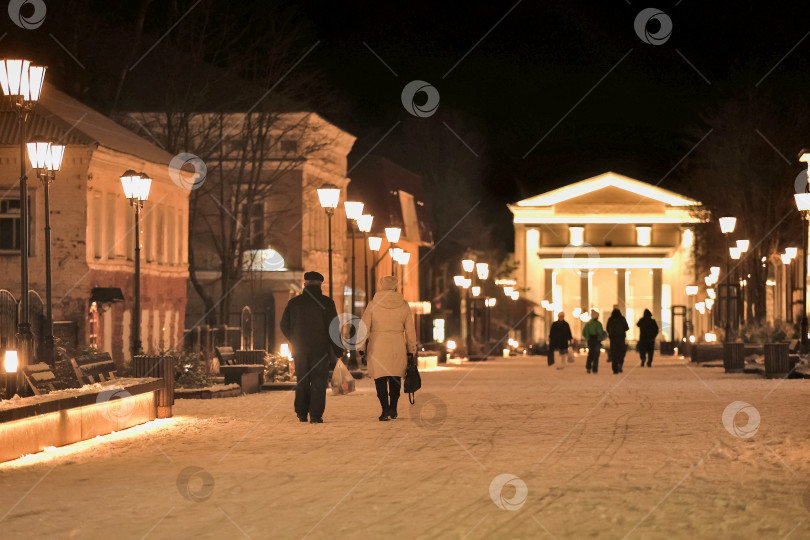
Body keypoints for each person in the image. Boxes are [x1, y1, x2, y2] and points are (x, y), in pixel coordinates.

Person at [280, 271, 340, 424]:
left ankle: (301, 412)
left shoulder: (294, 303)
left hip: (300, 350)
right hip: (320, 350)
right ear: (320, 285)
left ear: (304, 283)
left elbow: (284, 325)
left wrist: (294, 338)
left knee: (302, 380)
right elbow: (333, 328)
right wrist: (338, 350)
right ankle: (315, 415)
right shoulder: (327, 303)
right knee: (319, 382)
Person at [359, 275, 417, 421]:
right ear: (395, 286)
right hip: (397, 344)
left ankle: (385, 409)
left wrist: (360, 347)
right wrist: (411, 349)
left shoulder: (373, 305)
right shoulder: (404, 305)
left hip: (377, 345)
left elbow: (364, 327)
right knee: (395, 377)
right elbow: (410, 330)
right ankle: (393, 408)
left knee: (380, 378)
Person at [606, 307, 629, 374]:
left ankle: (615, 369)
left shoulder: (610, 319)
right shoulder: (622, 319)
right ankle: (620, 364)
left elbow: (607, 328)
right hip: (621, 338)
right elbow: (626, 327)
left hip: (613, 339)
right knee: (621, 352)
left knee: (614, 353)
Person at [582, 309, 606, 374]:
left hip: (590, 340)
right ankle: (595, 369)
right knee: (596, 355)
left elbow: (584, 333)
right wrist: (603, 335)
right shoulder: (598, 324)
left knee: (590, 354)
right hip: (597, 340)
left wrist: (587, 338)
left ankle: (588, 367)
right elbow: (600, 332)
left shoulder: (588, 324)